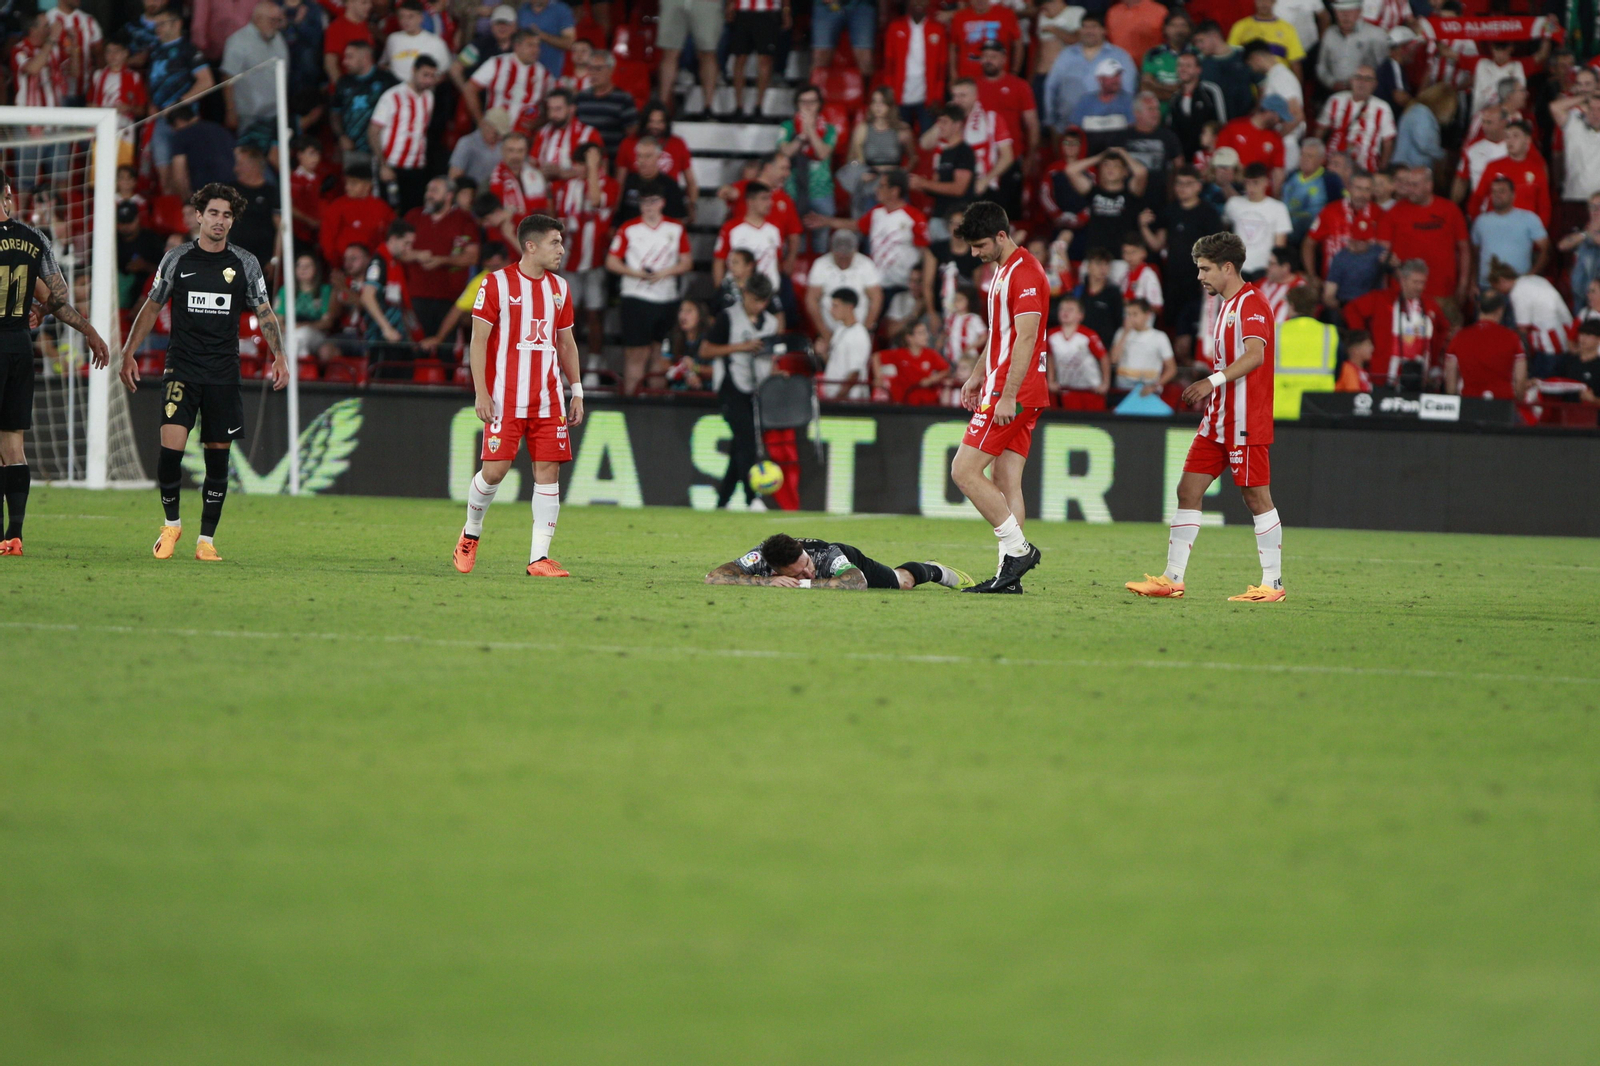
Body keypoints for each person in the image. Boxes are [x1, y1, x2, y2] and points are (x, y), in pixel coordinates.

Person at [119, 184, 288, 563]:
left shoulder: (244, 263)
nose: (219, 221)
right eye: (213, 213)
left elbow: (264, 312)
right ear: (199, 215)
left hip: (223, 373)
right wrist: (129, 351)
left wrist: (280, 355)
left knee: (217, 460)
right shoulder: (177, 258)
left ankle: (206, 540)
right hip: (182, 368)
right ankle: (172, 524)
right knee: (170, 452)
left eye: (227, 215)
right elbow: (150, 307)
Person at [1127, 231, 1284, 603]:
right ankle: (1172, 579)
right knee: (1187, 490)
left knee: (1256, 497)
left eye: (1206, 269)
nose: (1200, 276)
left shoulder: (1252, 303)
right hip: (1217, 421)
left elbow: (1255, 355)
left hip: (1245, 419)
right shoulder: (1225, 304)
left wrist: (1211, 381)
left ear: (1228, 268)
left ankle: (1273, 584)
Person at [452, 215, 585, 578]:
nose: (561, 249)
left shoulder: (560, 288)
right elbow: (478, 342)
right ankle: (470, 533)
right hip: (504, 397)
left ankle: (538, 558)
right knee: (494, 472)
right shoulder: (495, 284)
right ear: (531, 245)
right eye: (555, 242)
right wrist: (481, 391)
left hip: (548, 398)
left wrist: (577, 390)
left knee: (549, 472)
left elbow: (566, 343)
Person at [0, 171, 109, 556]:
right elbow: (59, 296)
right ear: (8, 197)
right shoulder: (33, 239)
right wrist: (90, 332)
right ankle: (13, 535)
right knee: (13, 445)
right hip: (18, 347)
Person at [947, 201, 1047, 594]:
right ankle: (1009, 578)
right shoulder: (1005, 271)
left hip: (1014, 392)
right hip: (1015, 388)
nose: (976, 254)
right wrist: (976, 374)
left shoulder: (1024, 274)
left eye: (980, 245)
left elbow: (1025, 336)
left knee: (964, 471)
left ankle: (1018, 551)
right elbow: (1001, 334)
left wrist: (1006, 395)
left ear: (1002, 236)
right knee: (1006, 481)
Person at [702, 274, 780, 510]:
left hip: (758, 391)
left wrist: (776, 372)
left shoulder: (771, 323)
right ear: (745, 294)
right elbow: (705, 350)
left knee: (740, 445)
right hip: (731, 386)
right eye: (756, 300)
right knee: (747, 440)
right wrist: (741, 347)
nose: (760, 306)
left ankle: (722, 501)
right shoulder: (728, 317)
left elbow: (771, 356)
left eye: (764, 301)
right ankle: (751, 497)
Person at [606, 190, 694, 395]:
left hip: (667, 298)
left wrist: (664, 272)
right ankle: (631, 401)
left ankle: (656, 405)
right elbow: (611, 261)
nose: (648, 205)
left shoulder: (675, 228)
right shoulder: (629, 228)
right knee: (636, 353)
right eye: (644, 201)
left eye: (653, 200)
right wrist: (637, 274)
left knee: (660, 354)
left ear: (662, 202)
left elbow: (687, 261)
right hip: (636, 297)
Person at [705, 532, 974, 590]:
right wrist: (765, 582)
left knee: (902, 582)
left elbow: (856, 582)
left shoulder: (827, 555)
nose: (808, 573)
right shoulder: (762, 557)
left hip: (851, 559)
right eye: (798, 574)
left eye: (806, 566)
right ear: (775, 569)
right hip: (775, 573)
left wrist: (800, 585)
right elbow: (714, 576)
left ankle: (935, 569)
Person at [1143, 166, 1222, 363]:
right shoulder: (1170, 211)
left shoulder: (1208, 213)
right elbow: (1157, 244)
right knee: (1171, 327)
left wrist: (1209, 277)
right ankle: (1175, 370)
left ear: (1198, 186)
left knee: (1197, 327)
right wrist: (1143, 226)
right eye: (1179, 183)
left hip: (1198, 282)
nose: (1182, 188)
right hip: (1173, 280)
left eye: (1187, 184)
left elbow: (1217, 250)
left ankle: (1198, 368)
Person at [1342, 259, 1448, 387]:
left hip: (1419, 377)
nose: (1420, 287)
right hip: (1383, 375)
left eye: (1423, 283)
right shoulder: (1382, 298)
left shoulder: (1430, 305)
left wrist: (1435, 361)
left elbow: (1443, 329)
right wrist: (1363, 339)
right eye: (1415, 282)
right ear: (1403, 280)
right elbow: (1351, 309)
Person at [1383, 167, 1470, 316]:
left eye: (1414, 185)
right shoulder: (1393, 212)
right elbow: (1383, 254)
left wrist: (1463, 283)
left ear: (1429, 185)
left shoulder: (1450, 210)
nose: (1409, 189)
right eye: (1408, 184)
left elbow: (1464, 249)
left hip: (1443, 292)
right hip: (1405, 293)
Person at [370, 55, 440, 215]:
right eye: (425, 75)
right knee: (388, 212)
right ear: (413, 71)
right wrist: (383, 165)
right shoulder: (392, 96)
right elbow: (373, 131)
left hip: (416, 167)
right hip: (392, 165)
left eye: (432, 76)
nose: (428, 80)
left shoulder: (429, 98)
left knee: (413, 213)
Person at [1044, 14, 1136, 132]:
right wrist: (1051, 119)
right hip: (1067, 126)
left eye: (1094, 27)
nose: (1089, 31)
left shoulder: (1120, 56)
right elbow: (1051, 87)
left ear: (1104, 30)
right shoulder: (1066, 55)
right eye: (1085, 27)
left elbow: (1128, 92)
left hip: (1109, 127)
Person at [464, 29, 555, 127]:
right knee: (463, 142)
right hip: (493, 132)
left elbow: (552, 106)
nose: (536, 50)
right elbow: (470, 89)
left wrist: (539, 123)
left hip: (524, 136)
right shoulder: (496, 63)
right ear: (517, 46)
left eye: (537, 45)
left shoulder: (545, 75)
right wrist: (481, 123)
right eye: (530, 45)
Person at [1467, 121, 1551, 227]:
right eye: (1507, 136)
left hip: (1525, 232)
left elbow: (1544, 206)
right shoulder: (1493, 166)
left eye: (1515, 136)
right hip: (1496, 228)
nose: (1510, 141)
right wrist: (1480, 226)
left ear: (1527, 140)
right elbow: (1477, 198)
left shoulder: (1537, 169)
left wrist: (1538, 233)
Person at [1444, 291, 1525, 400]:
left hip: (1468, 404)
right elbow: (1520, 380)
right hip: (1503, 405)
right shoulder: (1513, 338)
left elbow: (1450, 381)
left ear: (1479, 306)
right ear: (1500, 309)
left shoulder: (1459, 338)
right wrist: (1518, 401)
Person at [1471, 175, 1548, 288]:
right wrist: (1472, 283)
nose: (1497, 195)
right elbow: (1473, 255)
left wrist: (1529, 277)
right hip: (1487, 286)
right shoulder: (1481, 221)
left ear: (1513, 195)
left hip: (1519, 286)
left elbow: (1546, 250)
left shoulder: (1529, 218)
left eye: (1502, 191)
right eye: (1494, 191)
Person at [221, 3, 287, 135]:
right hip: (249, 115)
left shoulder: (278, 38)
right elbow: (227, 77)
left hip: (275, 113)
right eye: (272, 20)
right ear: (257, 19)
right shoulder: (238, 41)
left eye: (278, 20)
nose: (276, 24)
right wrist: (230, 111)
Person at [883, 0, 949, 132]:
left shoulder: (937, 29)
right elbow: (889, 65)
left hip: (927, 96)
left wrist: (937, 96)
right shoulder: (895, 27)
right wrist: (890, 95)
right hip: (900, 94)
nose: (919, 2)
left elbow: (941, 68)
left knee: (927, 140)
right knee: (900, 139)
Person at [1303, 167, 1378, 282]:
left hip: (1367, 284)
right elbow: (1309, 243)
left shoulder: (1380, 214)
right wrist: (1312, 276)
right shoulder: (1330, 211)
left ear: (1373, 191)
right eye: (1358, 188)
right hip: (1331, 281)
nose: (1362, 194)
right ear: (1349, 187)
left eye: (1367, 189)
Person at [1273, 284, 1336, 417]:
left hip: (1281, 408)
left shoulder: (1275, 331)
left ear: (1292, 306)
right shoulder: (1329, 333)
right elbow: (1339, 367)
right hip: (1319, 408)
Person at [806, 231, 883, 336]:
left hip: (859, 328)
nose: (843, 262)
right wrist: (825, 333)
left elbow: (876, 299)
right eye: (839, 257)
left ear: (854, 251)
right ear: (832, 251)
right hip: (829, 330)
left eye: (847, 257)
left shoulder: (866, 265)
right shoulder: (820, 265)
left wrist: (864, 331)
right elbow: (812, 300)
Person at [332, 39, 397, 162]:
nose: (345, 62)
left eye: (350, 57)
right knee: (356, 181)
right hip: (353, 149)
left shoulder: (386, 80)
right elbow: (335, 113)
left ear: (366, 58)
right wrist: (341, 136)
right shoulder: (343, 82)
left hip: (383, 149)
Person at [712, 182, 784, 291]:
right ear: (750, 201)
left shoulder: (774, 229)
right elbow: (719, 261)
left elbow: (776, 261)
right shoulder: (731, 228)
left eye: (770, 198)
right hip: (738, 291)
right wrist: (719, 291)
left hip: (769, 291)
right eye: (764, 199)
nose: (770, 203)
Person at [321, 165, 397, 267]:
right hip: (344, 267)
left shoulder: (382, 208)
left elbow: (392, 237)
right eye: (347, 183)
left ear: (367, 185)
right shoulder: (337, 206)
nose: (347, 187)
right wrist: (335, 265)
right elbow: (327, 239)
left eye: (353, 183)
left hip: (376, 265)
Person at [1224, 163, 1291, 278]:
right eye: (1247, 183)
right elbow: (1223, 235)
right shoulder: (1233, 204)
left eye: (1255, 183)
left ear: (1266, 182)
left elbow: (1279, 246)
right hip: (1237, 269)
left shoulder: (1278, 208)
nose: (1250, 188)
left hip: (1264, 270)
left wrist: (1273, 269)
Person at [727, 0, 789, 116]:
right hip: (742, 11)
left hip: (768, 12)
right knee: (740, 57)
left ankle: (759, 106)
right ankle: (739, 106)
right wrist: (730, 4)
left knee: (765, 59)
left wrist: (786, 10)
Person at [1316, 0, 1387, 93]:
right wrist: (1332, 83)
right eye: (1341, 11)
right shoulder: (1329, 34)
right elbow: (1321, 67)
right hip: (1333, 91)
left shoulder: (1376, 35)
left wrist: (1361, 83)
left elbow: (1384, 69)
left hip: (1367, 93)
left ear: (1359, 12)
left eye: (1350, 11)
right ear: (1335, 12)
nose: (1345, 15)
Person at [1166, 52, 1226, 162]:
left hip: (1209, 157)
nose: (1183, 69)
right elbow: (1172, 130)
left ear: (1198, 70)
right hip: (1184, 159)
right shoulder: (1175, 98)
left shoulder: (1211, 91)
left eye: (1188, 66)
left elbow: (1221, 124)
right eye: (1180, 65)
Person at [574, 54, 638, 157]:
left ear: (611, 70)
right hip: (584, 162)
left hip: (612, 161)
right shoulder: (581, 98)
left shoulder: (624, 99)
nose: (593, 73)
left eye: (598, 69)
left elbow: (631, 135)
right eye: (590, 69)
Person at [875, 320, 950, 404]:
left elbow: (946, 370)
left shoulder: (931, 354)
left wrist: (932, 379)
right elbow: (876, 357)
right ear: (909, 338)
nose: (926, 336)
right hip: (904, 401)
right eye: (921, 333)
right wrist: (878, 377)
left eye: (926, 332)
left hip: (927, 402)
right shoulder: (899, 354)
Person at [1111, 298, 1174, 395]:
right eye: (1128, 314)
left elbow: (1171, 368)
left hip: (1148, 389)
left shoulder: (1159, 337)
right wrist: (1125, 334)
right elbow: (1113, 359)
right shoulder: (1121, 333)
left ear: (1147, 315)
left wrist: (1155, 386)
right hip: (1123, 389)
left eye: (1135, 314)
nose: (1131, 318)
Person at [951, 0, 1023, 82]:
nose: (980, 1)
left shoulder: (1006, 14)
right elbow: (953, 47)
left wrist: (1014, 72)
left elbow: (1018, 44)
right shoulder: (959, 17)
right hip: (967, 78)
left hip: (997, 77)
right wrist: (953, 75)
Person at [1226, 0, 1304, 74]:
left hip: (1279, 82)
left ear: (1274, 2)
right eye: (1260, 0)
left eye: (1267, 0)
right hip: (1250, 84)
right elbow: (1231, 57)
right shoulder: (1240, 27)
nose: (1264, 3)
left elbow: (1295, 63)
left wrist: (1296, 87)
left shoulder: (1288, 29)